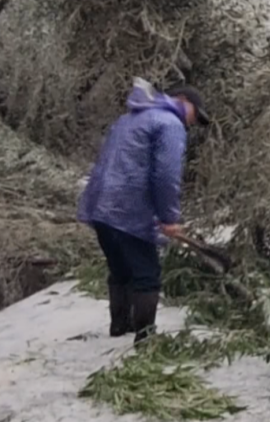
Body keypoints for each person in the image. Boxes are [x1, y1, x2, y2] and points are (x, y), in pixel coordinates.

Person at [77, 78, 210, 343]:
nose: (193, 122)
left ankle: (119, 328)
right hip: (129, 210)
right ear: (183, 101)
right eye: (196, 115)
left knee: (121, 270)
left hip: (100, 206)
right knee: (147, 274)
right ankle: (145, 338)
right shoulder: (169, 124)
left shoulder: (127, 119)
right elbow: (165, 176)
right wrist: (169, 218)